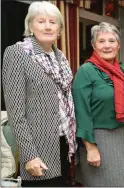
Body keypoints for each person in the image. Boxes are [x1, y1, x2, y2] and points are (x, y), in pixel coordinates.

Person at [2, 1, 76, 187]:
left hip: (64, 143)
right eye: (41, 21)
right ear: (30, 26)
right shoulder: (17, 53)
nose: (48, 26)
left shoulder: (60, 57)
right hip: (38, 148)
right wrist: (30, 155)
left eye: (53, 22)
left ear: (59, 28)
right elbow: (15, 114)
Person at [72, 22, 124, 187]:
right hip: (97, 138)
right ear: (93, 45)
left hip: (121, 135)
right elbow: (81, 112)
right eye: (101, 41)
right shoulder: (86, 71)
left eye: (112, 41)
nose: (107, 45)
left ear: (118, 45)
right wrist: (90, 147)